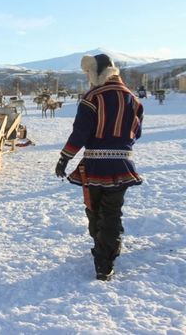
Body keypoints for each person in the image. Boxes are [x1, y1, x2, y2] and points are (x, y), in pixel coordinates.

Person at [55, 53, 144, 282]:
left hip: (95, 165)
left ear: (96, 73)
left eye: (87, 73)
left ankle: (102, 259)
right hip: (123, 164)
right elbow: (137, 133)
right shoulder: (133, 99)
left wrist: (65, 158)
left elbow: (80, 133)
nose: (87, 78)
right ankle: (108, 254)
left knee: (94, 210)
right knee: (112, 212)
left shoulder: (93, 97)